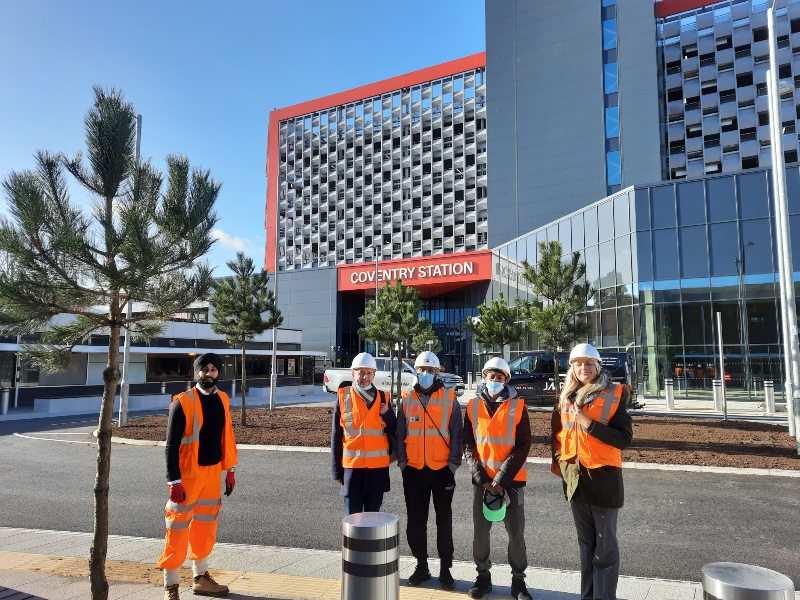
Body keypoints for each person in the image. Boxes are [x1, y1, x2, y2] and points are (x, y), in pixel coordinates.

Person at [551, 344, 633, 600]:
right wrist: (561, 463)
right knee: (586, 547)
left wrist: (588, 423)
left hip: (603, 479)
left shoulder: (615, 392)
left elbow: (624, 438)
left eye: (588, 364)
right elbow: (557, 435)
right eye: (578, 364)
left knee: (605, 549)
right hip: (576, 480)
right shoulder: (566, 395)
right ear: (572, 368)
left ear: (597, 367)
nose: (583, 369)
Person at [158, 353, 238, 599]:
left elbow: (227, 436)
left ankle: (200, 577)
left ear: (218, 373)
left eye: (214, 369)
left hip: (213, 473)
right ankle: (171, 586)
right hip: (187, 477)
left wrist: (230, 471)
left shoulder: (223, 399)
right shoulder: (183, 402)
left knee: (205, 527)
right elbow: (171, 445)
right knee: (177, 529)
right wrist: (174, 481)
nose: (210, 373)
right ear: (197, 372)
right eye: (205, 369)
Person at [463, 357, 533, 600]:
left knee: (516, 535)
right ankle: (483, 578)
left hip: (510, 483)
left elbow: (523, 445)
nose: (494, 381)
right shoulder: (472, 406)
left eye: (500, 377)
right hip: (482, 482)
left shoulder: (519, 407)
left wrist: (501, 478)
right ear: (484, 377)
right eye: (491, 377)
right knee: (481, 535)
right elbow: (468, 443)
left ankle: (518, 582)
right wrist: (481, 475)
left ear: (507, 380)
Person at [396, 351, 463, 591]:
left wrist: (453, 465)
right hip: (414, 470)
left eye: (430, 370)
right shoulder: (406, 398)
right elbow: (400, 433)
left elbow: (457, 433)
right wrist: (403, 463)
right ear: (415, 371)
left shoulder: (449, 398)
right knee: (416, 522)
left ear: (437, 372)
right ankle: (421, 566)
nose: (425, 374)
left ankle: (446, 570)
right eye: (421, 369)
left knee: (444, 521)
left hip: (442, 470)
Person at [331, 352, 397, 514]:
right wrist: (336, 470)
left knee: (373, 519)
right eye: (361, 372)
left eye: (369, 373)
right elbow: (336, 436)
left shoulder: (384, 398)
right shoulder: (343, 396)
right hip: (352, 469)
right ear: (353, 373)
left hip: (377, 470)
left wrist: (388, 414)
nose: (365, 377)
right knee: (353, 519)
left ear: (374, 374)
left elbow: (395, 430)